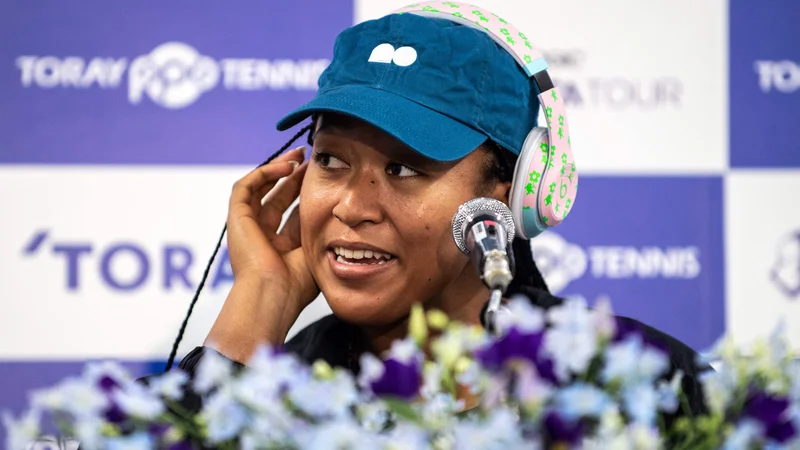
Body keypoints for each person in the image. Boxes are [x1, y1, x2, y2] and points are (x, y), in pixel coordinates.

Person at [140, 9, 709, 421]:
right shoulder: (267, 394)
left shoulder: (638, 381)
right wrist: (258, 304)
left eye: (405, 169)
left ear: (508, 197)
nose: (351, 205)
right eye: (331, 159)